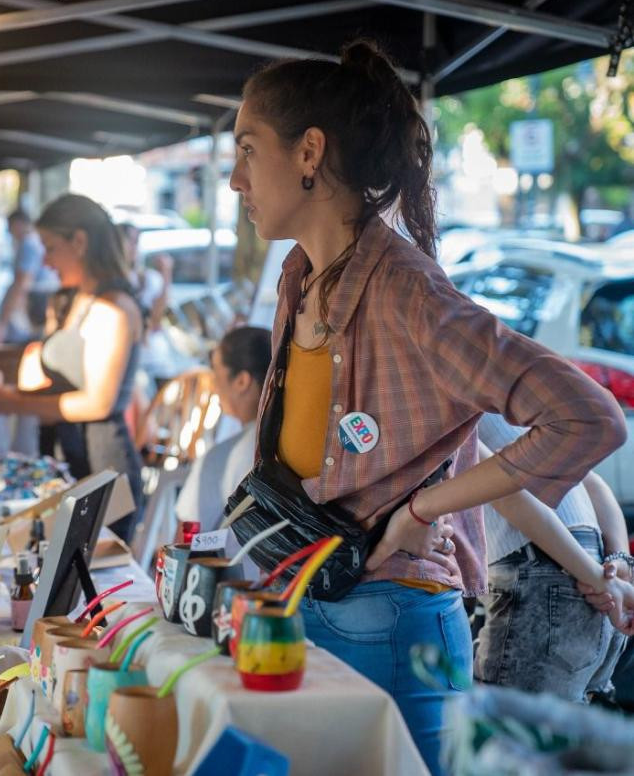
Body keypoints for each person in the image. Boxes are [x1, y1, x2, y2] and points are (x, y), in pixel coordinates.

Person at [228, 40, 629, 775]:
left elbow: (587, 417)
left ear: (309, 152)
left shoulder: (408, 293)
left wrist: (420, 513)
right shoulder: (299, 279)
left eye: (248, 150)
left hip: (389, 618)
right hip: (304, 597)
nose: (233, 179)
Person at [0, 194, 144, 542]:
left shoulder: (114, 307)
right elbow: (59, 383)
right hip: (66, 459)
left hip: (103, 467)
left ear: (79, 242)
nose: (46, 260)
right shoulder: (72, 300)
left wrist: (10, 402)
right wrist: (10, 391)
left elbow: (97, 403)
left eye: (50, 247)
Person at [475, 412, 631, 702]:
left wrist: (605, 577)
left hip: (545, 580)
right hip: (586, 567)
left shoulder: (435, 386)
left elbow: (505, 491)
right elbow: (592, 482)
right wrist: (616, 564)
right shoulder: (505, 389)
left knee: (511, 740)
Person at [175, 325, 270, 533]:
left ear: (242, 381)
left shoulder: (221, 458)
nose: (213, 385)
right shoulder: (290, 445)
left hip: (228, 565)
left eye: (216, 373)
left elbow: (186, 540)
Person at [0, 209, 59, 344]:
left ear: (17, 224)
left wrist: (3, 322)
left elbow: (21, 284)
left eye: (10, 228)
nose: (11, 234)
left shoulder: (28, 244)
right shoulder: (33, 242)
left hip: (37, 309)